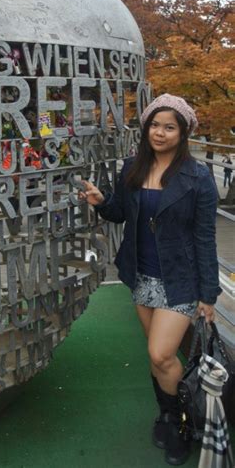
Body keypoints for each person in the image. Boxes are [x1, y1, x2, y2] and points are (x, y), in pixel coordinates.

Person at [80, 93, 221, 466]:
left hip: (180, 278)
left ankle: (184, 423)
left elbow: (205, 236)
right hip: (141, 273)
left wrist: (209, 293)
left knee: (161, 353)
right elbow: (120, 213)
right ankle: (169, 415)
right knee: (157, 358)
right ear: (146, 128)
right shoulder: (133, 168)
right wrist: (100, 201)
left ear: (183, 132)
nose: (160, 133)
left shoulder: (198, 177)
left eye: (169, 127)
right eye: (154, 125)